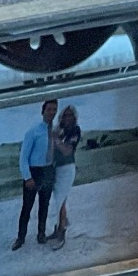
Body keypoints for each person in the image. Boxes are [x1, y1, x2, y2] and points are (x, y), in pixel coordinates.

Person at [13, 98, 58, 249]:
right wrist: (28, 177)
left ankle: (41, 234)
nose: (51, 112)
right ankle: (20, 238)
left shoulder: (56, 131)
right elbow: (23, 158)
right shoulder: (33, 132)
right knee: (27, 207)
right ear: (42, 111)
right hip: (34, 172)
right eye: (49, 109)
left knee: (44, 205)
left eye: (54, 109)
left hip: (48, 170)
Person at [48, 104, 81, 247]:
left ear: (74, 117)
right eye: (65, 115)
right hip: (57, 168)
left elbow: (67, 150)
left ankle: (62, 229)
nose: (67, 118)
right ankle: (60, 226)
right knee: (59, 200)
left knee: (61, 199)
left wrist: (56, 140)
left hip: (67, 168)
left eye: (70, 115)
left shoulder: (75, 131)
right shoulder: (59, 130)